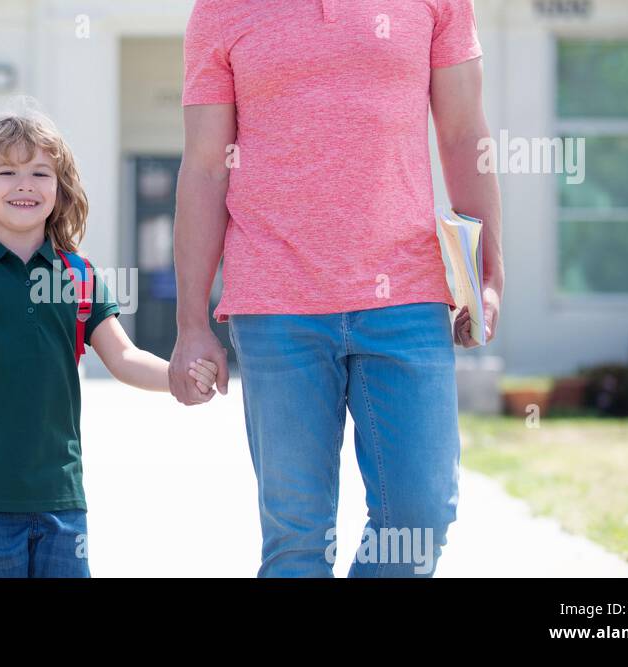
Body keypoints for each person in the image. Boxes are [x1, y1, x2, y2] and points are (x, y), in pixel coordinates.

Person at [171, 0, 504, 577]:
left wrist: (488, 277)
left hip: (408, 292)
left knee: (420, 521)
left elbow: (462, 131)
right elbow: (205, 165)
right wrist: (191, 325)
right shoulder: (220, 10)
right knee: (297, 541)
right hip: (276, 305)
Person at [0, 106, 220, 577]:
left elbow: (124, 356)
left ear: (60, 187)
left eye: (40, 172)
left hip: (61, 497)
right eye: (6, 171)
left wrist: (179, 376)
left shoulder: (77, 273)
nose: (24, 183)